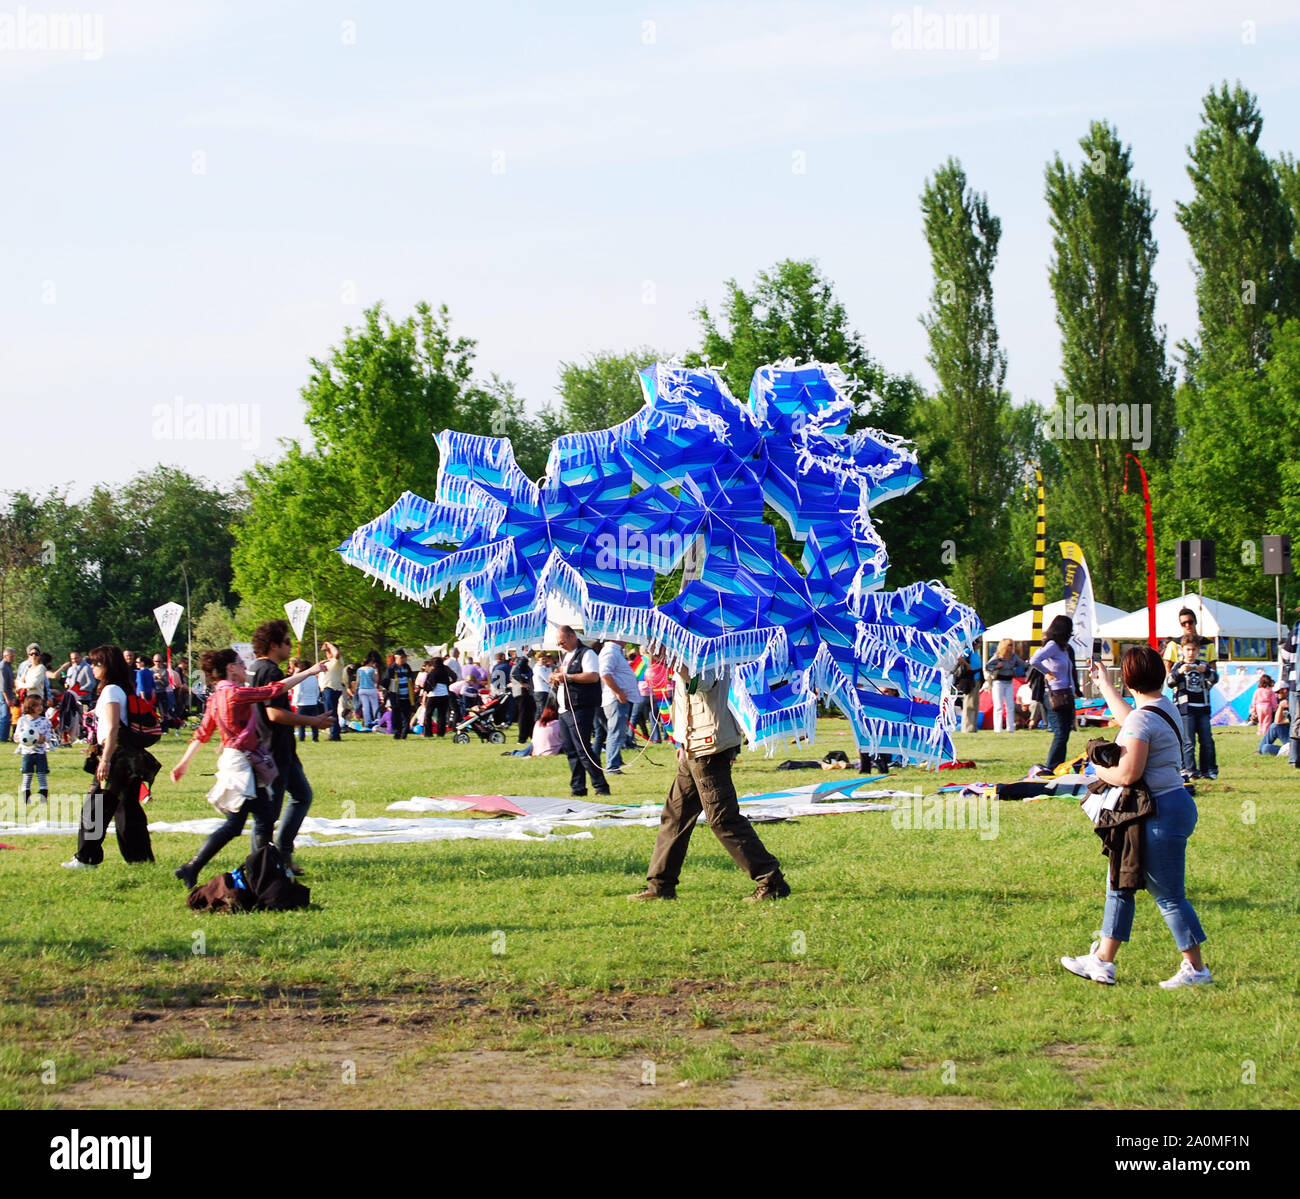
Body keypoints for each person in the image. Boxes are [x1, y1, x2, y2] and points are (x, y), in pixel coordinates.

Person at [1060, 646, 1212, 988]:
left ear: (1129, 680)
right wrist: (1104, 685)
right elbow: (1131, 716)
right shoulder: (1163, 706)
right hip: (1170, 807)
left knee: (1169, 896)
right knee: (1119, 883)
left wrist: (1096, 768)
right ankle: (1102, 961)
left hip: (1158, 813)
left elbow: (1128, 774)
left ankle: (1197, 970)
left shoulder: (1142, 720)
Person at [169, 649, 327, 888]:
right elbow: (273, 690)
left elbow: (202, 733)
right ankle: (192, 867)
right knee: (235, 824)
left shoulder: (216, 696)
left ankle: (266, 873)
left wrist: (183, 764)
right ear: (230, 668)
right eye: (241, 664)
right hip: (240, 765)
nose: (246, 668)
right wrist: (310, 671)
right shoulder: (233, 693)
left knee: (264, 818)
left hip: (244, 762)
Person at [630, 666, 789, 902]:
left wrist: (676, 664)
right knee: (676, 815)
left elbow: (700, 684)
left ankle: (770, 879)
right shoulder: (687, 647)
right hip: (694, 743)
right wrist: (682, 741)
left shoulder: (706, 650)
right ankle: (660, 885)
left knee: (723, 819)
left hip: (709, 745)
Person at [248, 621, 334, 874]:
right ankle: (262, 868)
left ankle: (282, 853)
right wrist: (313, 721)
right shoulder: (270, 671)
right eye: (287, 642)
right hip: (273, 749)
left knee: (302, 795)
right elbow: (273, 713)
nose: (290, 647)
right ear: (274, 645)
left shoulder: (256, 668)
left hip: (276, 746)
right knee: (267, 815)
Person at [63, 644, 156, 870]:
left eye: (98, 663)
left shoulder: (111, 690)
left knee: (94, 808)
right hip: (127, 758)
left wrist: (104, 760)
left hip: (116, 758)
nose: (93, 667)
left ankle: (86, 859)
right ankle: (141, 860)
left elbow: (114, 727)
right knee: (128, 810)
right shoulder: (119, 689)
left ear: (109, 666)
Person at [549, 625, 610, 798]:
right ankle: (578, 788)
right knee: (570, 750)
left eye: (562, 642)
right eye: (558, 643)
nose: (560, 645)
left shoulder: (587, 654)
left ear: (572, 636)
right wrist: (556, 679)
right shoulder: (567, 656)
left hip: (580, 707)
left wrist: (567, 677)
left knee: (583, 749)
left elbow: (592, 676)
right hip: (564, 708)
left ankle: (601, 786)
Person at [1028, 616, 1081, 770]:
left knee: (1065, 732)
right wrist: (1047, 672)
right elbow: (1034, 660)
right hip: (1053, 694)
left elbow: (1070, 671)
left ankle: (1058, 765)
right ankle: (1051, 766)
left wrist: (1075, 690)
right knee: (1060, 732)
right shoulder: (1052, 645)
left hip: (1065, 694)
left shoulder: (1065, 649)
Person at [1166, 635, 1218, 780]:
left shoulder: (1203, 664)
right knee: (1188, 742)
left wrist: (1206, 671)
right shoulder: (1178, 665)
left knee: (1206, 740)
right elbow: (1169, 682)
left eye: (1193, 649)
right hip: (1186, 709)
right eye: (1188, 649)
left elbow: (1215, 678)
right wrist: (1179, 672)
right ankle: (1189, 770)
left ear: (1198, 650)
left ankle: (1207, 770)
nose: (1190, 653)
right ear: (1182, 650)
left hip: (1203, 707)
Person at [598, 637, 640, 774]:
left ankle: (616, 760)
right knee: (615, 732)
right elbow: (605, 674)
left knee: (619, 732)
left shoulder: (615, 652)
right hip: (615, 699)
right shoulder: (609, 652)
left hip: (619, 698)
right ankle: (612, 766)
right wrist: (618, 692)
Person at [16, 693, 54, 807]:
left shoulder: (45, 721)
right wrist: (20, 738)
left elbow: (48, 734)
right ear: (30, 707)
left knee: (41, 774)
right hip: (27, 753)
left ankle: (43, 796)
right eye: (36, 705)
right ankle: (26, 797)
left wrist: (44, 738)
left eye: (41, 705)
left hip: (40, 752)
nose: (40, 707)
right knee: (27, 775)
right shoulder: (22, 721)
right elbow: (16, 736)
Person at [985, 637, 1026, 733]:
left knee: (1010, 705)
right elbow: (987, 666)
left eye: (1012, 645)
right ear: (1005, 646)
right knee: (998, 705)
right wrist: (996, 666)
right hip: (998, 682)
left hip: (1009, 681)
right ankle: (997, 728)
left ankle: (1010, 727)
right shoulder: (998, 656)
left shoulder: (1013, 656)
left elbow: (1023, 664)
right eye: (1010, 645)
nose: (1012, 647)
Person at [291, 658, 325, 742]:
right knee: (314, 722)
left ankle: (302, 738)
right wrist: (315, 699)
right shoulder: (313, 678)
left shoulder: (301, 677)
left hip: (302, 703)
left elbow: (298, 690)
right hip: (313, 702)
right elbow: (317, 690)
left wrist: (295, 701)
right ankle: (315, 738)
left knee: (301, 723)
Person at [383, 649, 416, 738]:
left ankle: (404, 733)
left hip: (406, 696)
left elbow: (411, 678)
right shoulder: (391, 669)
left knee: (406, 715)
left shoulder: (407, 667)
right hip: (396, 696)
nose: (404, 659)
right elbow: (385, 681)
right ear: (396, 658)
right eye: (402, 657)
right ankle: (397, 733)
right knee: (396, 715)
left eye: (404, 657)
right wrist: (388, 691)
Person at [319, 642, 347, 741]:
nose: (327, 653)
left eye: (328, 651)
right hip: (326, 689)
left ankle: (334, 734)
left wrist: (329, 644)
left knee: (331, 712)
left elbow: (336, 654)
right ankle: (335, 732)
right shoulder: (328, 662)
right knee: (331, 712)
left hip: (331, 688)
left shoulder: (337, 661)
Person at [424, 656, 454, 736]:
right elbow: (454, 677)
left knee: (428, 714)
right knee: (442, 715)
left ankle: (428, 733)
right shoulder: (445, 671)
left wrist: (426, 690)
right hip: (444, 694)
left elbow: (428, 685)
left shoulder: (432, 672)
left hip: (433, 695)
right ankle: (441, 733)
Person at [953, 646, 979, 733]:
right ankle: (967, 727)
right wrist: (967, 665)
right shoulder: (968, 651)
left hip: (976, 679)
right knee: (969, 704)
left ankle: (973, 726)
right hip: (969, 679)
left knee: (975, 703)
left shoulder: (975, 652)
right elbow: (959, 658)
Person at [511, 650, 535, 743]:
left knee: (528, 715)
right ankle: (522, 738)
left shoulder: (523, 661)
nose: (531, 652)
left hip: (525, 693)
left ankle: (529, 735)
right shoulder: (522, 660)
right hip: (522, 692)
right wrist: (522, 683)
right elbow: (514, 673)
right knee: (524, 715)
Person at [1250, 673, 1278, 750]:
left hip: (1259, 706)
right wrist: (1275, 708)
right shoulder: (1270, 691)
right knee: (1267, 721)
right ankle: (1265, 733)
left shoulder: (1257, 691)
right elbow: (1273, 700)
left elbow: (1254, 701)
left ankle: (1260, 732)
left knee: (1260, 721)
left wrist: (1253, 710)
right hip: (1267, 706)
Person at [1, 647, 18, 744]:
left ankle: (5, 736)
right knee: (5, 715)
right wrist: (7, 698)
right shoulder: (2, 667)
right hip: (4, 694)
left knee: (8, 715)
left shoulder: (8, 666)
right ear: (5, 656)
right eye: (11, 656)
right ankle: (3, 737)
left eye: (13, 656)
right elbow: (2, 685)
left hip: (9, 693)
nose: (13, 658)